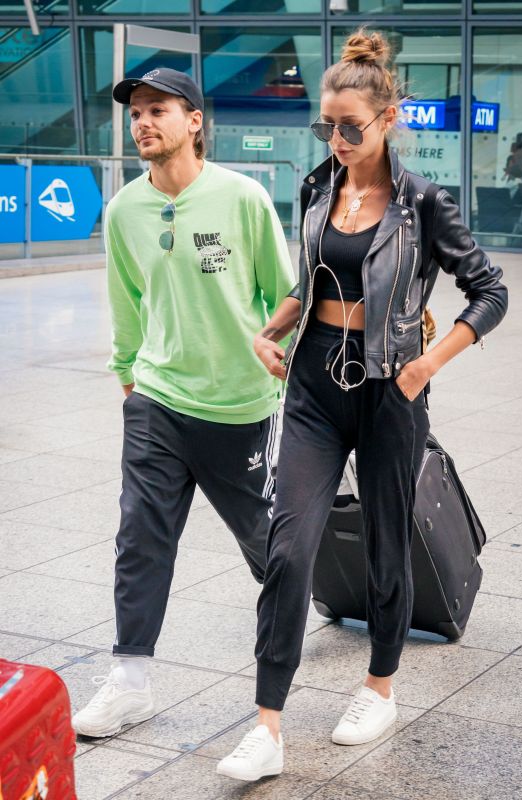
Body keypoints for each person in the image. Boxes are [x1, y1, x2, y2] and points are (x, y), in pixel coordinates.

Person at [217, 29, 508, 782]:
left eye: (352, 125)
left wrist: (424, 366)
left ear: (388, 118)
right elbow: (308, 280)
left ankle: (378, 687)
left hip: (389, 391)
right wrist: (271, 328)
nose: (338, 139)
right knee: (287, 546)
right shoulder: (317, 186)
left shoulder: (422, 203)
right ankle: (266, 725)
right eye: (328, 125)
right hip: (314, 382)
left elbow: (490, 290)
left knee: (385, 544)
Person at [71, 68, 295, 738]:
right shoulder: (124, 210)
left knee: (267, 543)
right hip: (158, 399)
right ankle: (129, 680)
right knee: (140, 535)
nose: (142, 122)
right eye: (135, 113)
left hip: (238, 405)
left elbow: (282, 293)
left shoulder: (242, 199)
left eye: (157, 110)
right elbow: (126, 297)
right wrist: (128, 372)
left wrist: (276, 365)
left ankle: (327, 602)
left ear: (193, 121)